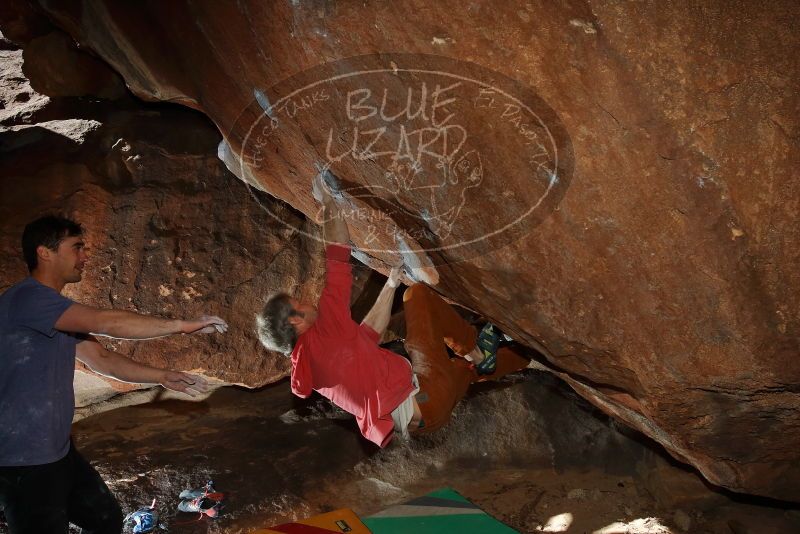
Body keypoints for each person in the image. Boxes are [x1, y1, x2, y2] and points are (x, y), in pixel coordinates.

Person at [256, 178, 529, 447]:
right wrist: (328, 200)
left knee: (463, 371)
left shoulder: (310, 363)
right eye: (299, 303)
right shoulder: (323, 333)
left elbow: (368, 335)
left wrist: (390, 284)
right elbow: (337, 254)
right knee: (417, 295)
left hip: (425, 419)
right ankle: (479, 352)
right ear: (295, 320)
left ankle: (520, 356)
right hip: (425, 395)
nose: (306, 302)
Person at [0, 215, 228, 534]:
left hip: (58, 452)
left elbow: (102, 358)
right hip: (24, 462)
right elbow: (106, 322)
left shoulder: (52, 310)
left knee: (105, 520)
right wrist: (180, 325)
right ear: (44, 252)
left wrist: (161, 376)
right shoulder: (29, 299)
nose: (84, 255)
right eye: (76, 247)